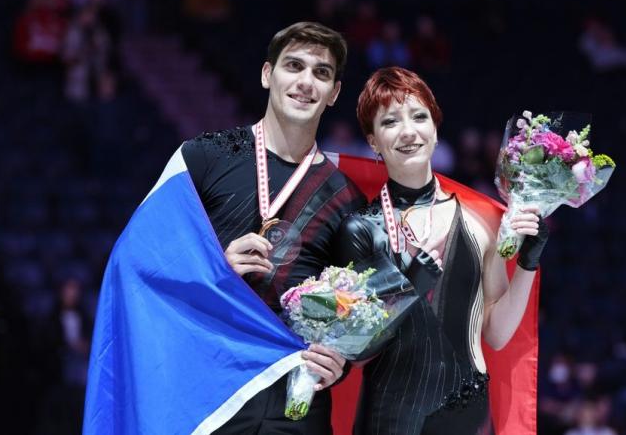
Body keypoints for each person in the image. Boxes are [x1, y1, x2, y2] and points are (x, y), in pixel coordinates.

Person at [337, 66, 549, 434]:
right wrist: (409, 288)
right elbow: (356, 351)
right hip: (390, 417)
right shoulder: (361, 229)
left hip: (466, 415)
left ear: (435, 130)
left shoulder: (479, 222)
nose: (408, 131)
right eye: (390, 122)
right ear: (373, 141)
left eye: (419, 117)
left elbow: (496, 333)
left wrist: (528, 263)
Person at [180, 22, 365, 434]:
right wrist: (216, 270)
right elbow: (147, 264)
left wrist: (340, 363)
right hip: (209, 392)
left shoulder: (345, 197)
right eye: (293, 66)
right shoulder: (203, 157)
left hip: (294, 405)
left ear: (334, 92)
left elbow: (357, 309)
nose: (305, 82)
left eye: (321, 72)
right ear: (267, 75)